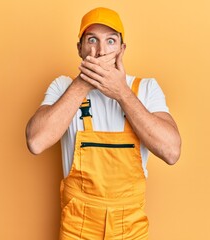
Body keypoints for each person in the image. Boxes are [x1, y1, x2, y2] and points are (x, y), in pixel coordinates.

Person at [26, 7, 181, 240]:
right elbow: (36, 142)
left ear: (121, 49)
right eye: (92, 40)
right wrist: (83, 84)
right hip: (78, 227)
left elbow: (171, 151)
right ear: (79, 48)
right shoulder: (63, 87)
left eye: (110, 41)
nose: (100, 51)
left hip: (130, 228)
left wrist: (122, 94)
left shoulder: (146, 89)